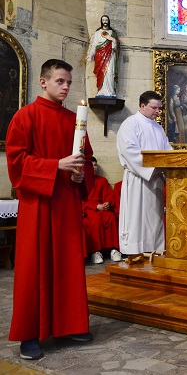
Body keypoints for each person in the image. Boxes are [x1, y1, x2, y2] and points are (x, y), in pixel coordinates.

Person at [5, 59, 95, 360]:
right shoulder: (25, 116)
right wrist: (56, 165)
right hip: (38, 204)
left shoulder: (74, 119)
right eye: (60, 81)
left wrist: (81, 175)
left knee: (67, 264)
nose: (66, 87)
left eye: (68, 82)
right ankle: (29, 334)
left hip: (66, 202)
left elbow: (86, 159)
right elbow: (17, 163)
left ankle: (69, 325)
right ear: (43, 82)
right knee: (34, 267)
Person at [116, 91, 172, 255]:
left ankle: (154, 251)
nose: (158, 111)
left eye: (159, 108)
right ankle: (135, 253)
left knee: (154, 220)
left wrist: (170, 164)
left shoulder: (158, 128)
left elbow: (167, 151)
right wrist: (154, 168)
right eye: (154, 108)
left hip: (156, 181)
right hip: (138, 180)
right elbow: (129, 152)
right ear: (142, 106)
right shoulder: (130, 124)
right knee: (137, 218)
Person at [82, 156, 121, 264]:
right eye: (91, 165)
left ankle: (113, 249)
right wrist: (95, 206)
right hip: (88, 209)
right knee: (96, 219)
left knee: (111, 217)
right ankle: (96, 251)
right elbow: (79, 200)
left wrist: (107, 203)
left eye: (95, 165)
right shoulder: (81, 181)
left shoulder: (102, 180)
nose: (94, 168)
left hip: (101, 208)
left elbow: (109, 195)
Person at [88, 15, 119, 97]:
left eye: (106, 20)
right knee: (101, 72)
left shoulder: (113, 33)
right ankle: (101, 91)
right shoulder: (97, 33)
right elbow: (94, 45)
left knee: (110, 72)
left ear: (108, 21)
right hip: (100, 55)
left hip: (110, 55)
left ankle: (110, 91)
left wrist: (112, 39)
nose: (105, 21)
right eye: (103, 20)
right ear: (101, 21)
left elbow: (117, 45)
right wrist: (91, 54)